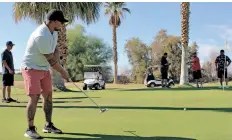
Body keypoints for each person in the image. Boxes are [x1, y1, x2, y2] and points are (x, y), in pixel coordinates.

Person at [21, 9, 70, 139]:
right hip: (31, 67)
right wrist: (62, 72)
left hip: (44, 68)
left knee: (48, 96)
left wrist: (58, 62)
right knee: (34, 97)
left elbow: (54, 49)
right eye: (61, 22)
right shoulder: (41, 35)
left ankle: (48, 125)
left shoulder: (54, 32)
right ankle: (30, 129)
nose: (62, 24)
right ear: (54, 21)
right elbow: (51, 60)